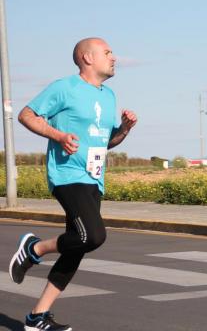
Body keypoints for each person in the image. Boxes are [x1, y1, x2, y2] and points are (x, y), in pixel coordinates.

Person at [9, 37, 137, 331]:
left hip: (94, 178)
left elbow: (106, 143)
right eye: (107, 53)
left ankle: (36, 317)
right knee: (93, 236)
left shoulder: (109, 96)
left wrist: (125, 130)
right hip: (68, 176)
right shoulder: (64, 87)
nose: (114, 57)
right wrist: (58, 136)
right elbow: (27, 115)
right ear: (87, 58)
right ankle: (34, 249)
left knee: (77, 246)